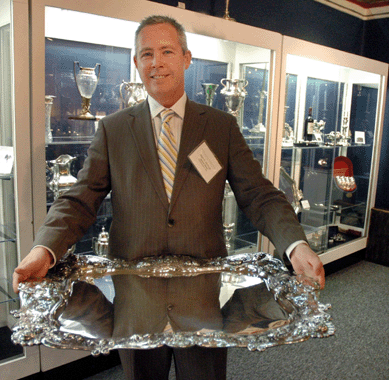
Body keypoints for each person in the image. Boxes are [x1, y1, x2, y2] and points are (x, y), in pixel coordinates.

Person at [13, 15, 325, 380]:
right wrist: (43, 249)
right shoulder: (113, 129)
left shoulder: (220, 126)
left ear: (186, 58)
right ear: (136, 63)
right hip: (134, 298)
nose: (156, 62)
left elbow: (259, 195)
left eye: (166, 51)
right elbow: (80, 198)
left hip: (203, 296)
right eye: (146, 53)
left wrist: (295, 245)